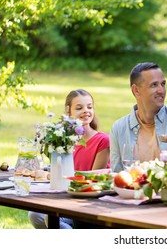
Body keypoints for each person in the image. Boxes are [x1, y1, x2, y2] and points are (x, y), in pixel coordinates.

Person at [29, 89, 110, 229]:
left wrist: (50, 175)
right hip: (68, 198)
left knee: (52, 220)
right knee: (35, 214)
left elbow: (92, 180)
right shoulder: (64, 140)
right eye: (79, 108)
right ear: (68, 112)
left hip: (89, 203)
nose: (86, 111)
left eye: (89, 107)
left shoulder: (102, 141)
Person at [110, 62, 167, 172]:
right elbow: (117, 174)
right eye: (154, 85)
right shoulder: (119, 128)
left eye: (163, 84)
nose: (161, 90)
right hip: (133, 188)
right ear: (136, 90)